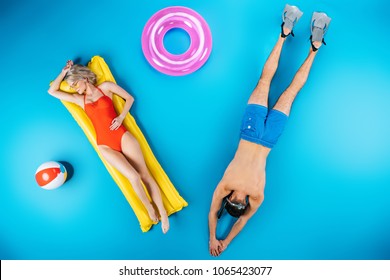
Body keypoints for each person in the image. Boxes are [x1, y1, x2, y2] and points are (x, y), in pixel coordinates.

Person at [208, 4, 331, 256]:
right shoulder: (226, 185)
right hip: (251, 133)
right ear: (231, 200)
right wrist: (215, 237)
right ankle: (285, 32)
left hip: (268, 139)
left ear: (241, 203)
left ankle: (314, 49)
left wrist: (223, 241)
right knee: (265, 81)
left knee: (292, 91)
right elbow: (213, 213)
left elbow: (242, 221)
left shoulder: (257, 195)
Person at [48, 60, 170, 233]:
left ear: (83, 77)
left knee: (145, 175)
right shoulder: (79, 100)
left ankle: (163, 213)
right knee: (134, 177)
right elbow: (52, 90)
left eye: (74, 83)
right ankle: (149, 207)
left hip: (122, 135)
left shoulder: (105, 87)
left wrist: (121, 117)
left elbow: (130, 98)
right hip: (105, 145)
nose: (74, 88)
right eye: (71, 86)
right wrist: (63, 72)